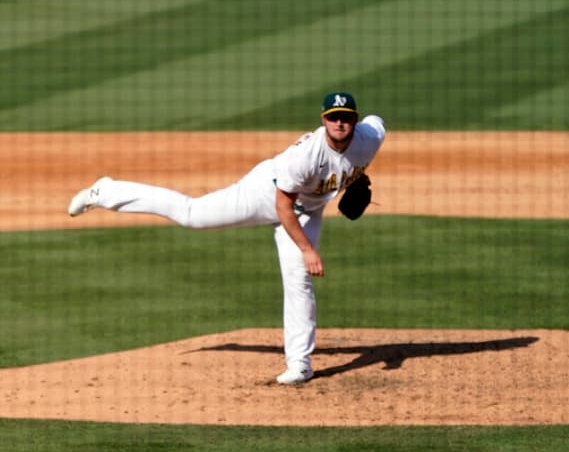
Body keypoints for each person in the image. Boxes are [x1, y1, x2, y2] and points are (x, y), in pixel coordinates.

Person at [67, 92, 386, 385]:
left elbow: (376, 124)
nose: (340, 123)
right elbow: (282, 206)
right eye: (333, 117)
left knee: (298, 280)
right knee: (193, 215)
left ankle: (300, 364)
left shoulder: (370, 137)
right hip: (265, 194)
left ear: (355, 119)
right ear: (323, 120)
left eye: (346, 117)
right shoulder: (305, 156)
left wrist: (358, 177)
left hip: (307, 210)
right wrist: (307, 250)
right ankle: (107, 191)